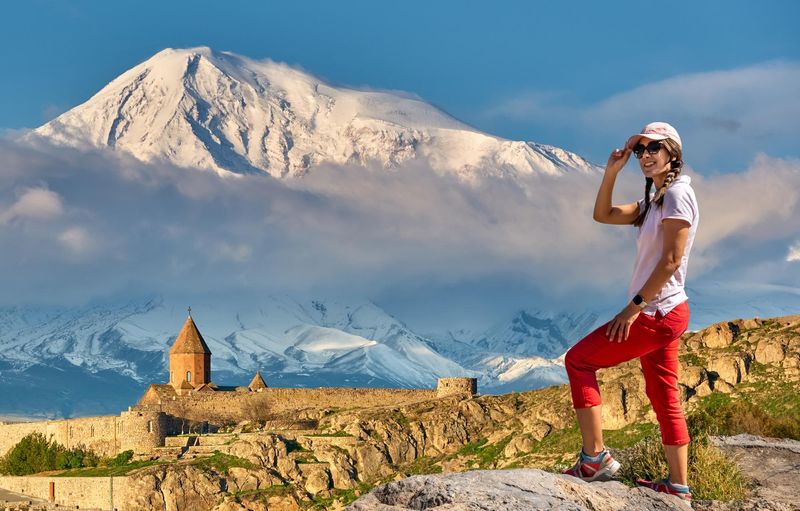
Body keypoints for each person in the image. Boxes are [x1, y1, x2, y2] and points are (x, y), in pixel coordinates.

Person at [561, 122, 699, 501]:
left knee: (579, 361)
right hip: (666, 311)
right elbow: (603, 214)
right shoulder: (656, 200)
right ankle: (678, 487)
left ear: (672, 152)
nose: (645, 155)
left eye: (653, 147)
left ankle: (594, 458)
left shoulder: (676, 197)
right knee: (663, 394)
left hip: (655, 312)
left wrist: (633, 308)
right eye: (639, 150)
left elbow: (671, 259)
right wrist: (611, 172)